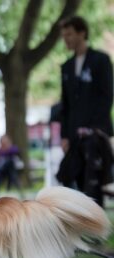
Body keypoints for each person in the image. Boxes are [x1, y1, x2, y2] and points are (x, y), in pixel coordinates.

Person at [56, 15, 114, 207]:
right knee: (70, 175)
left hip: (96, 134)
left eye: (70, 34)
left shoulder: (101, 61)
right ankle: (81, 223)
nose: (66, 38)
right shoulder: (66, 68)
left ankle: (96, 229)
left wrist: (93, 129)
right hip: (73, 135)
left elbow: (106, 97)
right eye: (64, 35)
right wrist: (64, 136)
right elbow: (65, 106)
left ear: (82, 33)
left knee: (93, 179)